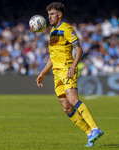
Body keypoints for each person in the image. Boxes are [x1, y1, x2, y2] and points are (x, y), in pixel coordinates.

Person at [36, 2, 103, 147]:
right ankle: (89, 133)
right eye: (48, 14)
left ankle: (95, 128)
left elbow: (79, 50)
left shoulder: (66, 28)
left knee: (73, 99)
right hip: (56, 73)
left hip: (67, 69)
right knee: (66, 107)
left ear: (59, 14)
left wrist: (73, 66)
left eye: (52, 14)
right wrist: (42, 73)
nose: (49, 17)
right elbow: (52, 58)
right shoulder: (53, 32)